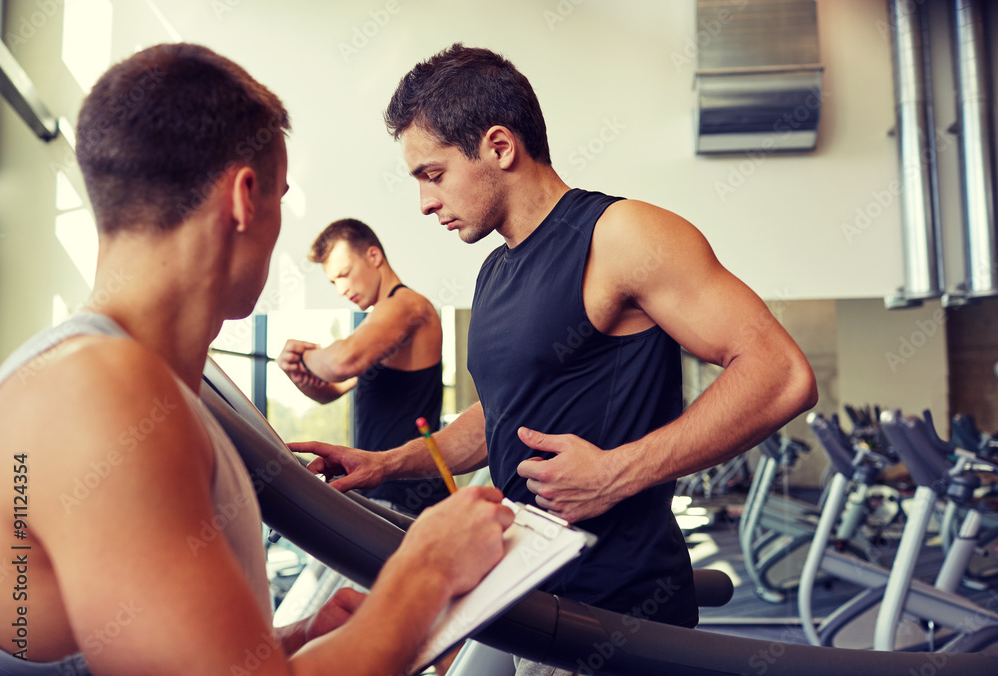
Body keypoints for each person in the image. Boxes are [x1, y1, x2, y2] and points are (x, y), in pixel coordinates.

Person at [292, 43, 818, 676]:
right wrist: (386, 463)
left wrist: (618, 472)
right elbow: (502, 416)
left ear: (499, 146)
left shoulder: (620, 235)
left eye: (432, 175)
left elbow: (779, 372)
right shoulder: (495, 271)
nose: (425, 203)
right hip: (530, 597)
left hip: (619, 611)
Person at [0, 42, 513, 676]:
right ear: (244, 199)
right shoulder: (102, 392)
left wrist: (294, 642)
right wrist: (425, 571)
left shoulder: (114, 378)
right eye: (280, 199)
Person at [277, 218, 449, 515]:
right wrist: (295, 369)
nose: (341, 289)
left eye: (344, 274)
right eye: (333, 282)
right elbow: (329, 390)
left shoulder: (407, 306)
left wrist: (304, 356)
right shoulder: (381, 325)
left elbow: (343, 361)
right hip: (382, 485)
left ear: (373, 256)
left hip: (407, 494)